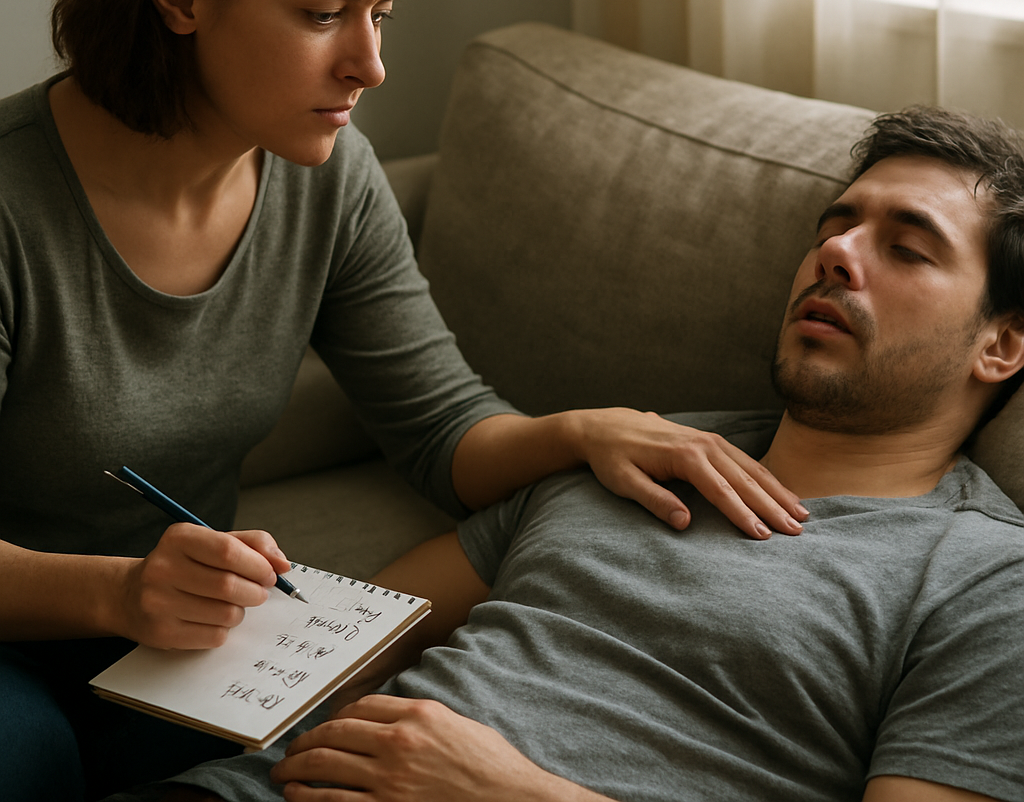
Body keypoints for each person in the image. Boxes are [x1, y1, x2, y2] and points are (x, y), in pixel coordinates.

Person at [0, 0, 806, 802]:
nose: (370, 65)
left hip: (185, 642)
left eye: (380, 16)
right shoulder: (11, 204)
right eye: (324, 14)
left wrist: (585, 430)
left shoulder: (328, 178)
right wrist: (122, 589)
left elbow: (440, 431)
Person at [130, 105, 1024, 802]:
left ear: (1002, 347)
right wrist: (201, 595)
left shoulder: (987, 582)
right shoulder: (638, 452)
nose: (834, 253)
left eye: (906, 248)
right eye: (835, 225)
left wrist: (510, 791)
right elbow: (349, 630)